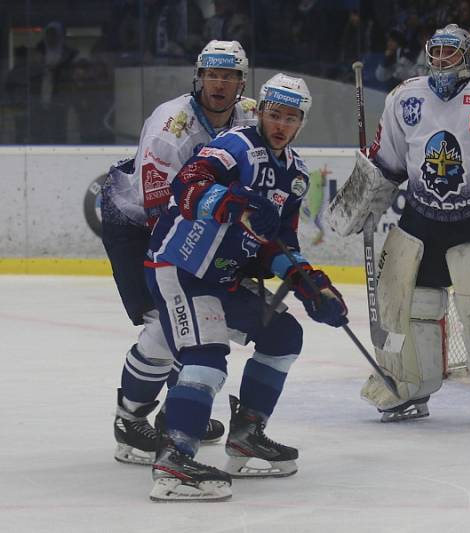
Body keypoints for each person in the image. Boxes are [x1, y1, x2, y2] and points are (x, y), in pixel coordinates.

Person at [327, 24, 470, 423]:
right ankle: (405, 384)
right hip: (423, 214)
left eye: (450, 52)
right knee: (407, 303)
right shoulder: (405, 98)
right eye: (435, 51)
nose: (440, 59)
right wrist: (362, 198)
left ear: (468, 58)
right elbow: (389, 161)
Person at [144, 73, 348, 502]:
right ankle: (175, 456)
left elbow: (279, 245)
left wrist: (308, 283)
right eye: (274, 114)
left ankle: (246, 434)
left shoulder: (294, 175)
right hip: (181, 268)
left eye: (290, 118)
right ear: (261, 113)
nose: (280, 124)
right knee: (206, 357)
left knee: (284, 334)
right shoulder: (236, 145)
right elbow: (188, 184)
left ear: (300, 123)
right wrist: (230, 203)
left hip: (224, 277)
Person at [102, 40, 258, 466]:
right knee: (167, 320)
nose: (219, 84)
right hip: (138, 224)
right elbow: (158, 214)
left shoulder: (250, 114)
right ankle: (130, 420)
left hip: (202, 227)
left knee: (204, 317)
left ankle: (177, 412)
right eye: (212, 74)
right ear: (198, 77)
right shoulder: (171, 126)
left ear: (241, 81)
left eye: (228, 76)